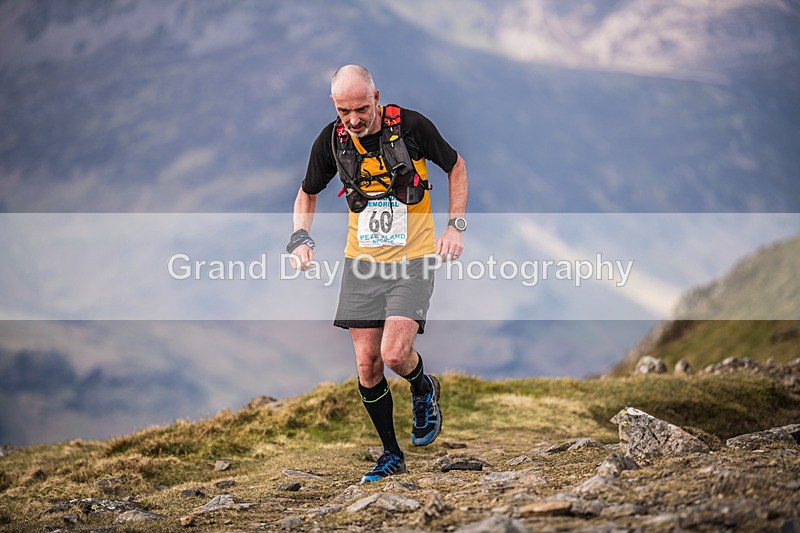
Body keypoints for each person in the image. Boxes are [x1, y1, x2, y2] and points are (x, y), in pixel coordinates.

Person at [287, 64, 468, 483]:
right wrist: (299, 237)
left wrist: (455, 227)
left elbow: (456, 165)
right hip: (362, 263)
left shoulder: (410, 126)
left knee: (393, 354)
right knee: (368, 366)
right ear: (334, 105)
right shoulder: (331, 140)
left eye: (361, 108)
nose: (353, 119)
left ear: (376, 97)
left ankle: (423, 387)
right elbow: (307, 191)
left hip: (414, 258)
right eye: (344, 110)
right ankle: (391, 454)